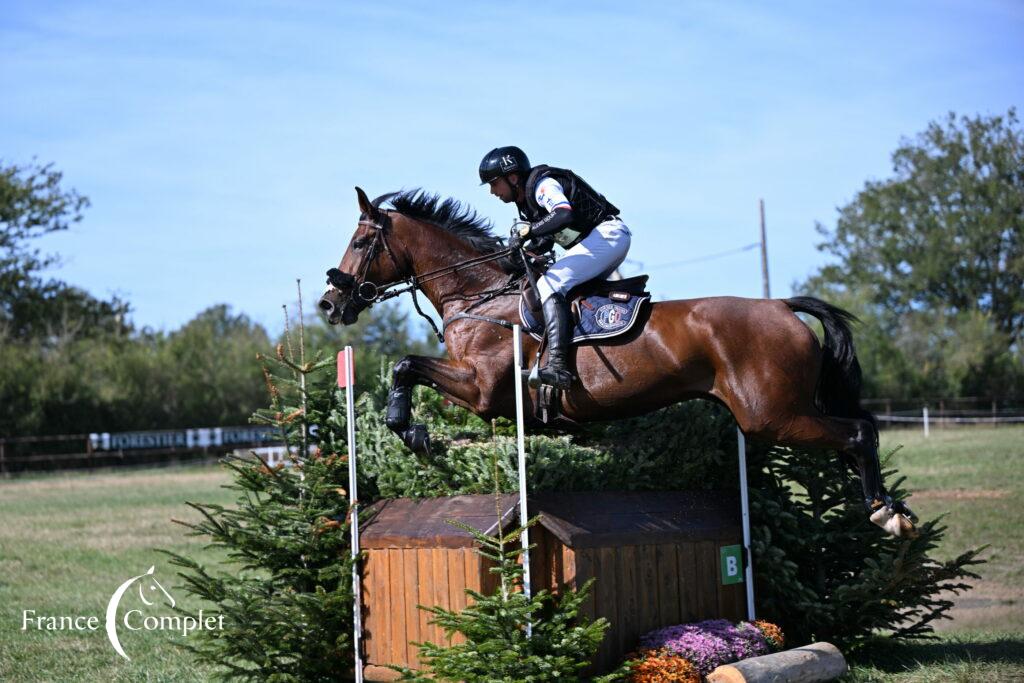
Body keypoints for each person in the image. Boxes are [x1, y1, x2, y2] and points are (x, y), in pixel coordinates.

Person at [479, 146, 632, 389]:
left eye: (494, 183)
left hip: (607, 237)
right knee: (565, 290)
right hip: (600, 242)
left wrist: (529, 231)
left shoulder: (542, 185)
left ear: (513, 177)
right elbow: (544, 240)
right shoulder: (527, 203)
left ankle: (558, 366)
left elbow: (563, 214)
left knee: (549, 284)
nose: (492, 191)